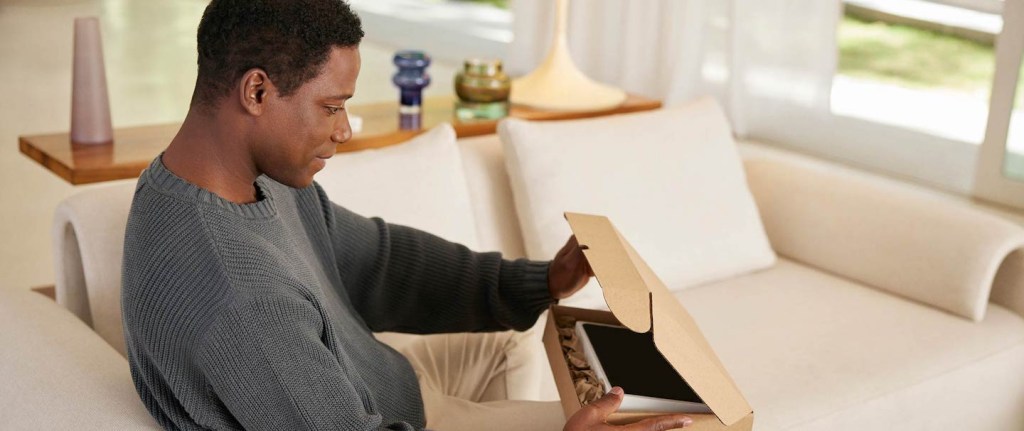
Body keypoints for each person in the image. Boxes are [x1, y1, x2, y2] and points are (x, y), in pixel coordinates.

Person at [121, 0, 694, 430]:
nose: (343, 130)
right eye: (331, 107)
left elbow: (379, 261)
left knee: (512, 340)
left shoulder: (236, 178)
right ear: (256, 91)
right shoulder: (241, 300)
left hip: (383, 377)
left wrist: (541, 280)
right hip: (386, 419)